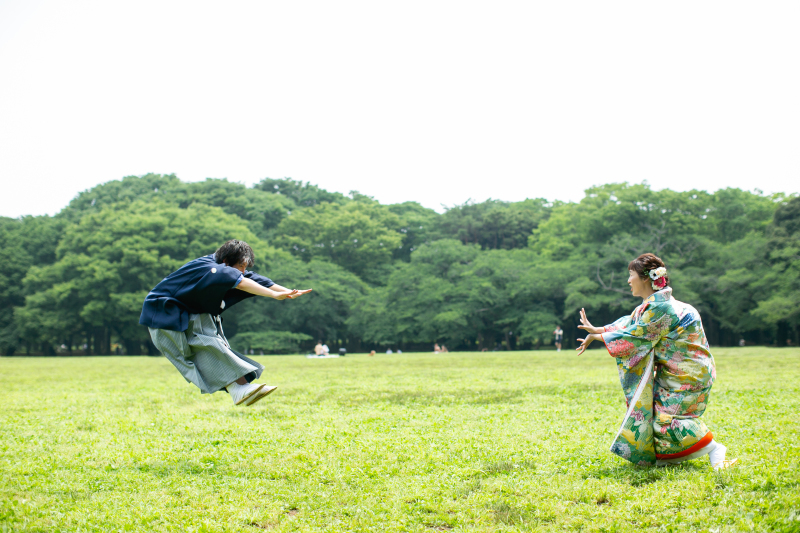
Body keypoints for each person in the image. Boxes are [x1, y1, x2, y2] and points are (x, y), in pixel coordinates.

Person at [575, 253, 736, 470]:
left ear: (645, 279)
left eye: (631, 275)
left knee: (665, 422)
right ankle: (663, 459)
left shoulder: (661, 307)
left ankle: (714, 449)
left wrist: (598, 336)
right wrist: (600, 330)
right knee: (655, 415)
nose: (628, 280)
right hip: (683, 371)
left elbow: (636, 336)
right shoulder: (656, 305)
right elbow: (631, 323)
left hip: (687, 374)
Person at [140, 240, 312, 407]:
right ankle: (239, 389)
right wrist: (273, 295)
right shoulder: (211, 268)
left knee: (212, 344)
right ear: (226, 261)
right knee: (205, 345)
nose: (243, 272)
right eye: (241, 267)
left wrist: (287, 291)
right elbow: (243, 282)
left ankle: (240, 388)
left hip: (184, 314)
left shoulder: (220, 267)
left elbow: (254, 279)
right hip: (165, 314)